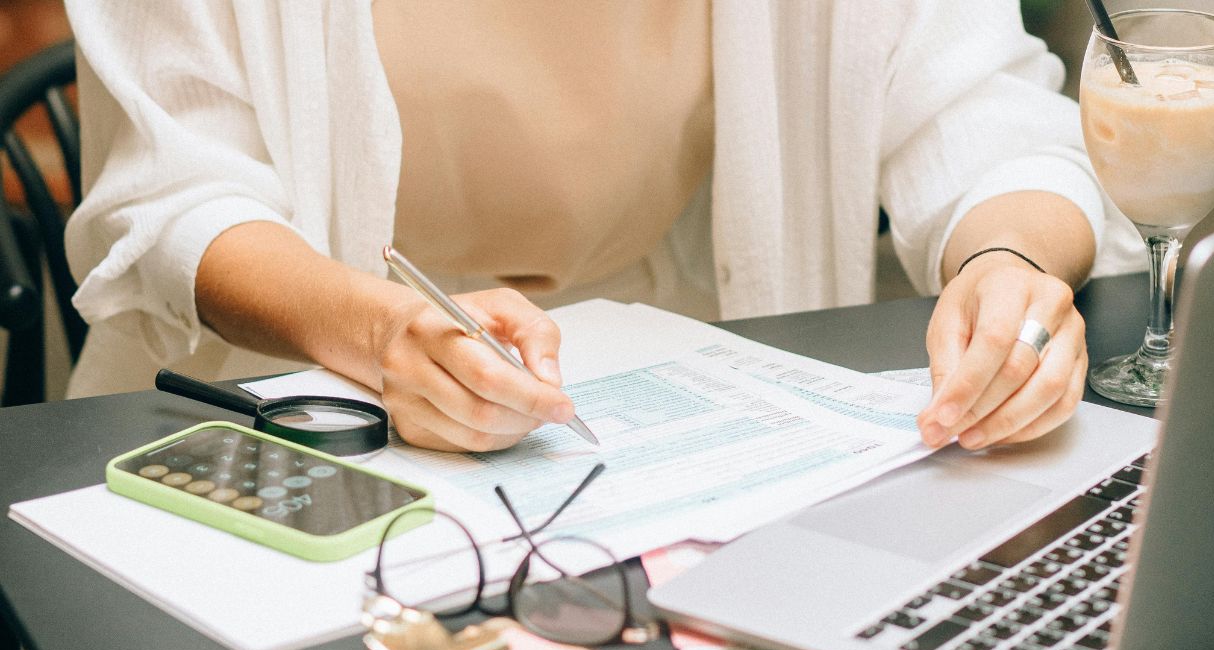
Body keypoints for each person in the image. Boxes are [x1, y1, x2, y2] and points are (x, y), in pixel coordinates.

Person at [62, 0, 1140, 454]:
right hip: (288, 398)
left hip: (655, 405)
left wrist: (1007, 259)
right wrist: (384, 336)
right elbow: (174, 200)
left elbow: (982, 115)